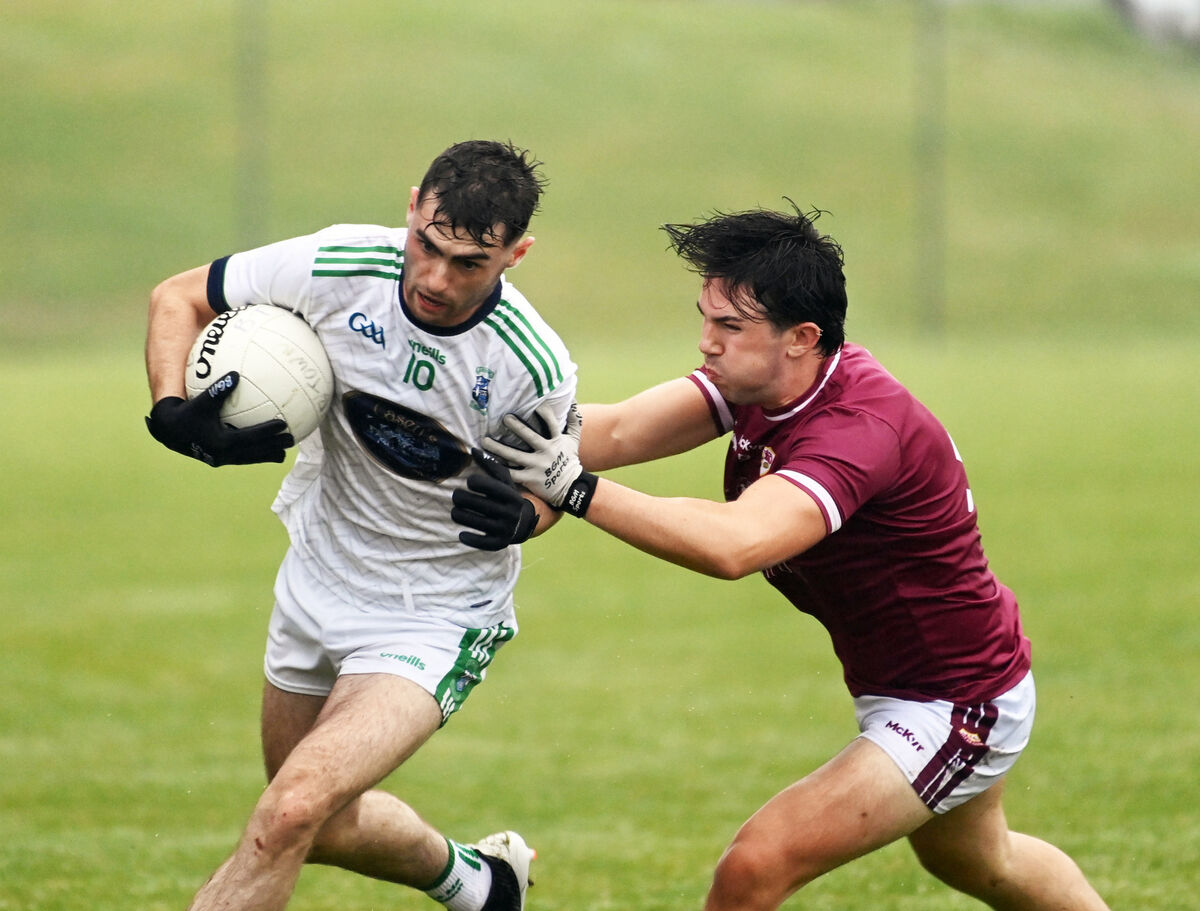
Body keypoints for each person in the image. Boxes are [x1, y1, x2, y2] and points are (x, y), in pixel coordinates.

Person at [474, 203, 1111, 910]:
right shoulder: (760, 382)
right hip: (917, 678)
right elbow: (618, 430)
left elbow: (735, 543)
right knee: (985, 864)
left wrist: (574, 488)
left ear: (801, 337)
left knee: (756, 863)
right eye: (706, 318)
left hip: (956, 700)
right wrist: (484, 428)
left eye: (729, 326)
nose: (707, 342)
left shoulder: (857, 429)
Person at [144, 140, 576, 911]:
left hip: (433, 611)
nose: (437, 277)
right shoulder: (337, 262)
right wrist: (173, 410)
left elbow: (551, 488)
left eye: (470, 263)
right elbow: (177, 296)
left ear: (517, 253)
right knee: (325, 821)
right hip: (316, 576)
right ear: (412, 207)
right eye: (427, 244)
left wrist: (527, 515)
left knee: (290, 811)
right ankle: (482, 883)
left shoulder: (532, 366)